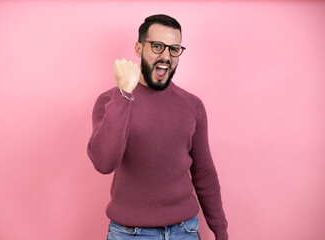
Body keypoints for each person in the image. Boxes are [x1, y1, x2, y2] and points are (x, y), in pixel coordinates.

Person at [87, 14, 228, 240]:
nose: (166, 56)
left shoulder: (192, 105)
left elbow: (204, 172)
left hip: (185, 231)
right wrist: (124, 93)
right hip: (129, 234)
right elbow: (104, 162)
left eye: (174, 49)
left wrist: (220, 229)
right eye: (157, 46)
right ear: (138, 48)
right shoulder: (111, 102)